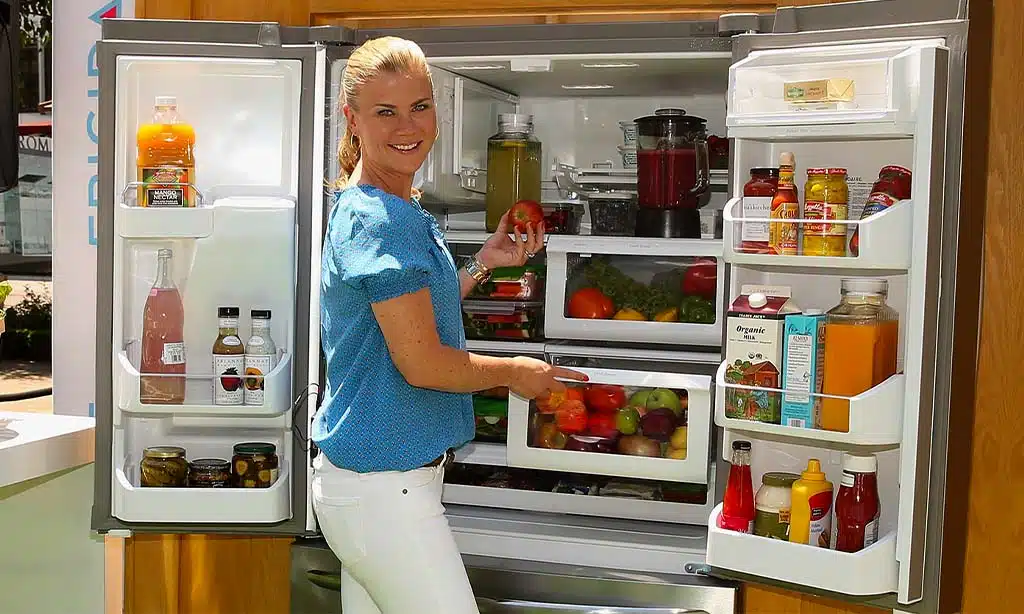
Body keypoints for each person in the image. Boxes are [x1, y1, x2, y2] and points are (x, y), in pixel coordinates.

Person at [311, 36, 588, 614]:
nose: (407, 125)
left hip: (372, 487)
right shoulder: (381, 220)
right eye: (384, 111)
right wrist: (517, 374)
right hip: (383, 494)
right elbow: (422, 362)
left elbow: (400, 314)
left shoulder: (388, 206)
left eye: (419, 106)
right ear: (352, 119)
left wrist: (483, 265)